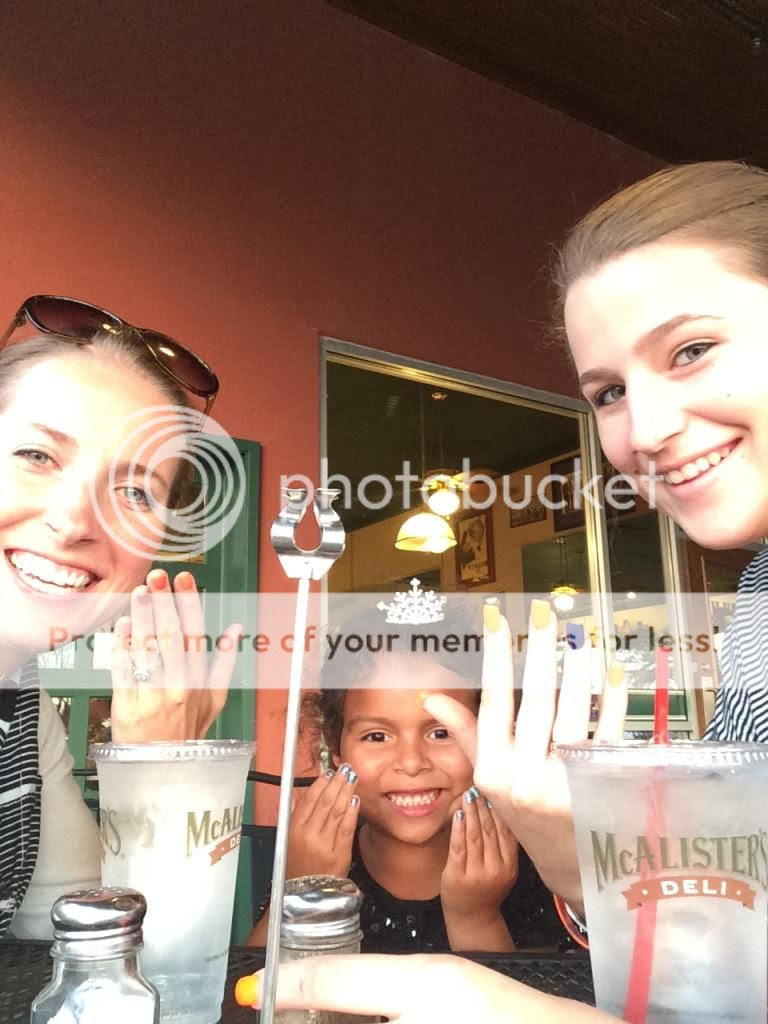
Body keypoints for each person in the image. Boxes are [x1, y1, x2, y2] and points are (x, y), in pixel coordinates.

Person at [236, 159, 768, 1022]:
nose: (647, 429)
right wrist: (587, 867)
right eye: (609, 392)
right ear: (332, 743)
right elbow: (727, 965)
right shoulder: (756, 606)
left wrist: (553, 888)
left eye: (693, 350)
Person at [0, 295, 242, 939]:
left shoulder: (23, 709)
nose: (74, 520)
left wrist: (155, 765)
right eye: (36, 456)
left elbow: (87, 946)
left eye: (134, 492)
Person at [246, 601, 570, 954]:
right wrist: (302, 891)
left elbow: (542, 991)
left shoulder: (536, 864)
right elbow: (249, 987)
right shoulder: (310, 858)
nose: (412, 763)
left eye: (442, 733)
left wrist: (476, 917)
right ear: (336, 748)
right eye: (377, 737)